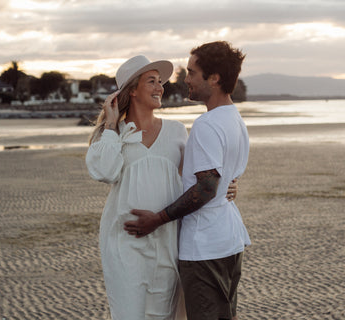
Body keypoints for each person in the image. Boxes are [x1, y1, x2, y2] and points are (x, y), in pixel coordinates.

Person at [85, 55, 238, 320]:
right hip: (125, 241)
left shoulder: (177, 131)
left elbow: (201, 177)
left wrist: (228, 186)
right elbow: (105, 172)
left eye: (160, 82)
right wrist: (111, 126)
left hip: (168, 240)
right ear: (132, 90)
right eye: (152, 81)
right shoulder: (112, 134)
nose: (160, 88)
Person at [124, 41, 250, 320]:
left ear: (214, 78)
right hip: (230, 240)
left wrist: (157, 219)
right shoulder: (235, 119)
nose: (186, 79)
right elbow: (224, 177)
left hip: (205, 246)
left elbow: (206, 188)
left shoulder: (207, 124)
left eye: (192, 72)